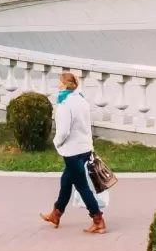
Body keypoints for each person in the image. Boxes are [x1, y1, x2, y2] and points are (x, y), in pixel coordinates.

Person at [40, 71, 106, 233]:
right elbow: (86, 126)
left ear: (63, 84)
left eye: (59, 81)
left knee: (82, 187)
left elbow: (63, 131)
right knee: (66, 181)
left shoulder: (64, 103)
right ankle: (56, 214)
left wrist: (56, 143)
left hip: (72, 152)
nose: (57, 84)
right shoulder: (82, 100)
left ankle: (98, 221)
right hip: (84, 149)